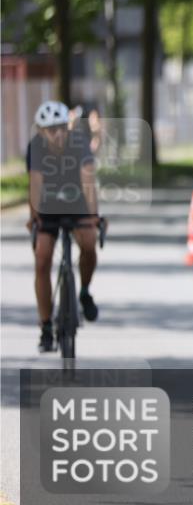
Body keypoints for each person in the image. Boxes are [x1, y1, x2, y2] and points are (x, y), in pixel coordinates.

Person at [26, 100, 102, 351]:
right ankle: (46, 326)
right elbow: (35, 185)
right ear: (41, 131)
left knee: (89, 243)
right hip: (48, 206)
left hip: (76, 200)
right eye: (51, 129)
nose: (57, 133)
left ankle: (84, 291)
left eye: (61, 127)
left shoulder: (79, 144)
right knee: (42, 258)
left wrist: (93, 215)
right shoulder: (35, 147)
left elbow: (88, 180)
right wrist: (34, 216)